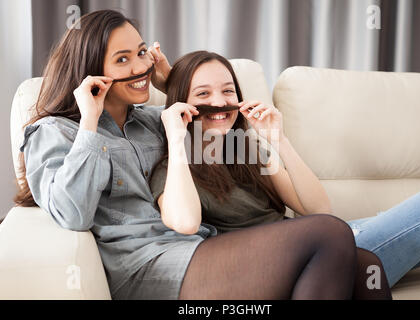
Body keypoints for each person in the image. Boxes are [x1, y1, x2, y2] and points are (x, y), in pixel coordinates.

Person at [14, 10, 391, 300]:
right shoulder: (53, 133)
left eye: (142, 52)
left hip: (198, 250)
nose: (140, 65)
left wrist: (164, 77)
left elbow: (203, 106)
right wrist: (90, 124)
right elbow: (73, 214)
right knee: (329, 232)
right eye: (123, 59)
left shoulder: (149, 121)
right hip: (142, 269)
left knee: (365, 267)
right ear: (91, 71)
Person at [146, 50, 392, 300]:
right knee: (333, 232)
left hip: (294, 250)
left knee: (368, 265)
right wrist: (177, 138)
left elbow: (318, 209)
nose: (219, 103)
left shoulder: (249, 151)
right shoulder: (174, 168)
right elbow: (185, 223)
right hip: (248, 265)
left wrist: (279, 139)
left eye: (228, 91)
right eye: (203, 93)